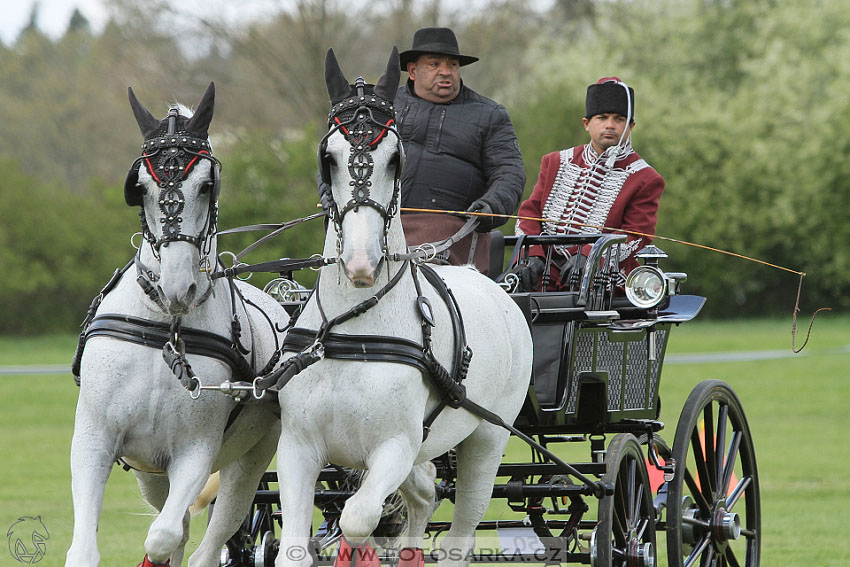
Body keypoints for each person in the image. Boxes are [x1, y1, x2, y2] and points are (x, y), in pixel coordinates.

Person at [512, 77, 665, 292]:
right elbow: (530, 212)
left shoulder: (645, 177)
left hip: (603, 281)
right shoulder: (555, 161)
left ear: (630, 126)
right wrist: (532, 254)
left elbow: (636, 237)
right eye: (602, 117)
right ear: (587, 124)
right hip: (543, 274)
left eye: (619, 119)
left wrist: (590, 257)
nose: (610, 125)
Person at [395, 27, 526, 275]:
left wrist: (491, 206)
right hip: (379, 227)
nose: (446, 72)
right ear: (413, 71)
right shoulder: (384, 106)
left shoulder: (489, 114)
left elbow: (509, 172)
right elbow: (343, 157)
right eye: (434, 64)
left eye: (453, 65)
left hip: (454, 234)